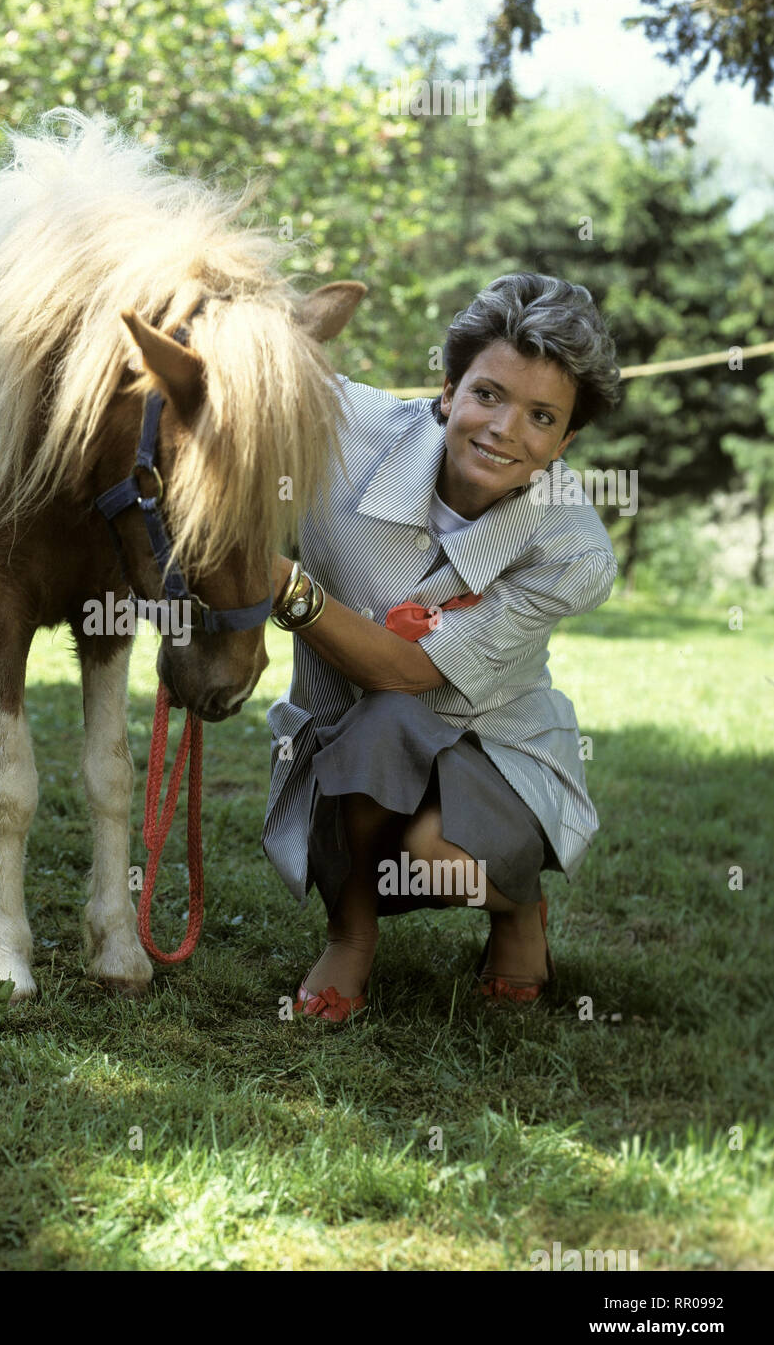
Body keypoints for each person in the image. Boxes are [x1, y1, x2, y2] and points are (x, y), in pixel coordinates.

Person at [263, 271, 621, 1019]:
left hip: (491, 750)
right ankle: (349, 936)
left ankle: (517, 906)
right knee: (378, 726)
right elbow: (253, 377)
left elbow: (410, 671)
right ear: (449, 386)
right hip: (347, 746)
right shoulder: (346, 427)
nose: (502, 430)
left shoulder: (575, 553)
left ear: (566, 441)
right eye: (486, 394)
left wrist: (279, 584)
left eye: (540, 417)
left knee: (438, 854)